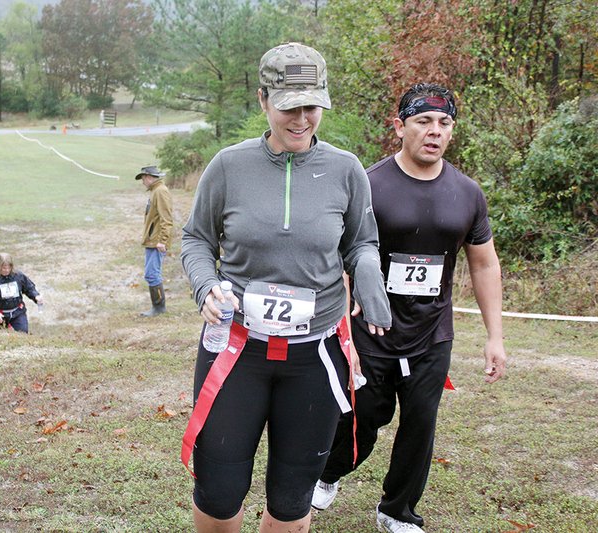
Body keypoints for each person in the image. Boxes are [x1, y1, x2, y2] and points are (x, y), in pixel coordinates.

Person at [180, 42, 391, 533]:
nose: (301, 119)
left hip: (315, 355)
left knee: (294, 495)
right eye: (288, 107)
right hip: (236, 349)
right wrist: (206, 285)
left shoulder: (346, 169)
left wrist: (369, 281)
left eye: (311, 106)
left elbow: (361, 243)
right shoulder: (229, 167)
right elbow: (196, 239)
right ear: (262, 100)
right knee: (219, 489)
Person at [313, 83, 507, 533]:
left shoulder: (467, 193)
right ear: (400, 127)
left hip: (432, 334)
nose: (434, 131)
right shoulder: (369, 184)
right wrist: (344, 329)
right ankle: (329, 472)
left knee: (421, 424)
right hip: (370, 330)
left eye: (444, 123)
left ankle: (397, 510)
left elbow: (484, 264)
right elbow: (339, 264)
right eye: (423, 121)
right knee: (363, 415)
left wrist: (495, 337)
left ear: (452, 132)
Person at [136, 165, 173, 317]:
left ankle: (159, 308)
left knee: (152, 274)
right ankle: (157, 307)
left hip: (157, 242)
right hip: (153, 240)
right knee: (151, 273)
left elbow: (167, 218)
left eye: (143, 178)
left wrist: (162, 241)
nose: (143, 182)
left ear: (149, 177)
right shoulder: (155, 191)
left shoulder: (160, 191)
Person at [0, 253, 42, 333]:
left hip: (18, 312)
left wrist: (35, 296)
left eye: (9, 268)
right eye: (4, 268)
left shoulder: (18, 276)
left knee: (23, 333)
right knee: (0, 337)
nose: (6, 270)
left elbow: (29, 287)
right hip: (0, 314)